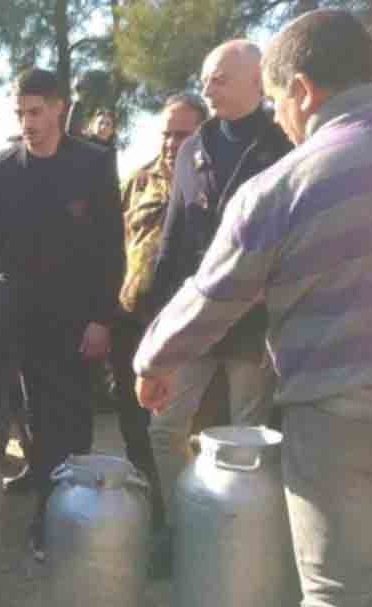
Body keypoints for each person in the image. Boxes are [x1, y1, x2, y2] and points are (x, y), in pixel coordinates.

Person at [135, 10, 372, 607]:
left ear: (303, 90)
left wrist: (153, 358)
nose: (281, 119)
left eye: (280, 100)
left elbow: (212, 294)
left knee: (339, 599)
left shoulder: (281, 185)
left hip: (338, 420)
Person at [0, 68, 123, 560]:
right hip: (13, 306)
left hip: (70, 315)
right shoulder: (3, 166)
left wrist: (101, 318)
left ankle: (55, 520)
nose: (28, 122)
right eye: (20, 113)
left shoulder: (93, 163)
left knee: (61, 421)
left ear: (60, 108)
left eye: (37, 111)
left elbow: (111, 248)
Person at [144, 40, 293, 567]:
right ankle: (185, 524)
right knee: (164, 429)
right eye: (206, 78)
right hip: (195, 316)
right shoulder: (194, 148)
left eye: (220, 79)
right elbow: (170, 239)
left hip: (254, 325)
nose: (208, 88)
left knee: (247, 443)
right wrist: (157, 325)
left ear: (258, 82)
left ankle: (243, 545)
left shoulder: (284, 145)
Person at [113, 93, 207, 552]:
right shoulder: (139, 180)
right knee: (135, 425)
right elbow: (117, 240)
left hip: (187, 327)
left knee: (181, 428)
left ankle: (187, 527)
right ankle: (151, 515)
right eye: (167, 133)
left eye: (182, 134)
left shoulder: (210, 180)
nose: (172, 143)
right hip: (133, 321)